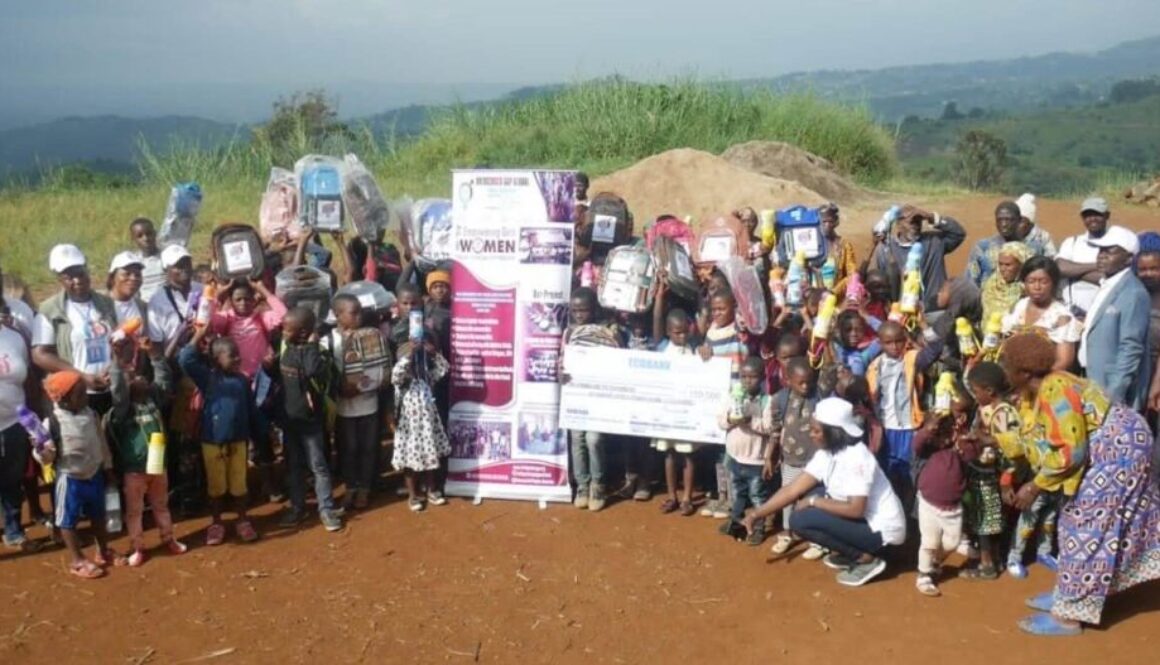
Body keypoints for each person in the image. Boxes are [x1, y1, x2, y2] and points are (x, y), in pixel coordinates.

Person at [1000, 332, 1160, 636]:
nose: (1005, 371)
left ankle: (1071, 614)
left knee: (1087, 527)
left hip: (1119, 452)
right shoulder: (1039, 389)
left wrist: (1035, 486)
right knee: (1075, 522)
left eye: (1008, 366)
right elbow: (1036, 441)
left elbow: (1072, 452)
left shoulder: (1055, 391)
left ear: (1023, 372)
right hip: (1110, 450)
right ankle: (1070, 593)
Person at [742, 397, 907, 587]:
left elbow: (856, 509)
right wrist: (757, 513)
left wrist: (814, 502)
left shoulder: (857, 458)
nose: (811, 434)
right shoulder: (827, 454)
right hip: (865, 522)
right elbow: (792, 489)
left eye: (816, 430)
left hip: (883, 535)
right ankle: (853, 551)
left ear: (833, 432)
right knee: (814, 492)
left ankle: (865, 558)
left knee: (800, 519)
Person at [106, 340, 186, 566]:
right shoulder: (123, 410)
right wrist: (117, 363)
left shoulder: (154, 399)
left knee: (161, 505)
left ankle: (168, 538)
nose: (139, 377)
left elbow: (163, 379)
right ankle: (137, 546)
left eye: (141, 375)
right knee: (135, 511)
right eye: (133, 377)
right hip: (134, 469)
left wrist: (154, 355)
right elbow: (118, 389)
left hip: (157, 463)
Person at [179, 327, 259, 546]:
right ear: (215, 360)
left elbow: (251, 410)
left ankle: (242, 520)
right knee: (216, 487)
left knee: (239, 485)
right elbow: (185, 358)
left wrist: (259, 433)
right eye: (231, 355)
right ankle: (216, 523)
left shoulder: (242, 381)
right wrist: (199, 333)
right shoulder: (208, 379)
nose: (237, 358)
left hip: (239, 441)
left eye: (238, 354)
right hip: (212, 442)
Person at [44, 370, 118, 578]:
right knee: (68, 520)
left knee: (98, 515)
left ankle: (103, 551)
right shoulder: (52, 422)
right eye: (79, 395)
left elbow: (101, 443)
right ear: (64, 400)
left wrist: (108, 467)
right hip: (70, 478)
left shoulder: (90, 414)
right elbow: (46, 457)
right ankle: (77, 560)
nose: (85, 397)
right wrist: (43, 451)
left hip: (94, 473)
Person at [865, 319, 945, 509]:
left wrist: (924, 324)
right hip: (886, 429)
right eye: (888, 342)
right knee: (888, 474)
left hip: (909, 427)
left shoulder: (912, 359)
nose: (894, 347)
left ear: (905, 340)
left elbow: (936, 348)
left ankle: (911, 516)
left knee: (911, 472)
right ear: (880, 343)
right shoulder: (875, 366)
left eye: (899, 341)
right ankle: (894, 512)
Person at [277, 307, 343, 532]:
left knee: (318, 466)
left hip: (310, 422)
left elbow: (313, 371)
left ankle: (326, 509)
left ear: (303, 332)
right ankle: (298, 507)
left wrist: (313, 344)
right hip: (290, 421)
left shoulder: (315, 352)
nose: (283, 332)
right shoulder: (288, 348)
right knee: (294, 466)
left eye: (287, 329)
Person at [32, 244, 118, 415]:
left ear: (87, 269)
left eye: (80, 273)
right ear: (60, 279)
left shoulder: (106, 303)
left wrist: (113, 368)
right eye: (69, 277)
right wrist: (81, 377)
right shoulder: (50, 310)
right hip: (76, 396)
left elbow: (119, 339)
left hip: (112, 388)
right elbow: (40, 355)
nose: (77, 281)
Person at [327, 295, 391, 512]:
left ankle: (364, 488)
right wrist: (341, 388)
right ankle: (351, 487)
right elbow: (325, 374)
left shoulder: (372, 336)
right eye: (353, 313)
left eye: (360, 312)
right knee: (348, 449)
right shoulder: (328, 341)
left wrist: (377, 382)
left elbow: (382, 367)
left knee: (368, 447)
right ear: (337, 315)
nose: (358, 317)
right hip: (344, 407)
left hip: (369, 404)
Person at [1079, 226, 1152, 410]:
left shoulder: (1133, 292)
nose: (1102, 255)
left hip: (1111, 391)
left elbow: (1131, 347)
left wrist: (1113, 393)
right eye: (1101, 250)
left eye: (1109, 251)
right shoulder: (1107, 285)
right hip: (1092, 381)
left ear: (1128, 258)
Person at [560, 288, 620, 511]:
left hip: (598, 397)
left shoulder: (607, 331)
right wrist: (561, 374)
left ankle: (598, 484)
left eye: (583, 310)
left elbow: (618, 360)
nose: (579, 314)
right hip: (576, 397)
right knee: (577, 439)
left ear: (593, 309)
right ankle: (582, 485)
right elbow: (562, 361)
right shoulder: (568, 334)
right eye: (575, 310)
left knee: (594, 439)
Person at [963, 362, 1021, 580]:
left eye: (976, 391)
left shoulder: (1003, 414)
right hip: (987, 472)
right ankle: (993, 559)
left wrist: (1006, 480)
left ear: (989, 391)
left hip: (992, 476)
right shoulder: (990, 409)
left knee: (986, 520)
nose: (974, 395)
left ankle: (987, 566)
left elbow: (1012, 448)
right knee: (986, 518)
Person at [911, 397, 970, 596]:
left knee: (952, 543)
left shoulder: (960, 449)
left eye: (950, 430)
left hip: (953, 508)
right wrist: (928, 428)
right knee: (929, 542)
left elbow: (972, 453)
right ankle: (924, 575)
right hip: (928, 504)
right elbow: (917, 443)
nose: (947, 435)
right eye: (941, 431)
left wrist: (962, 435)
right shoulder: (928, 449)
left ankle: (935, 562)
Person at [698, 290, 748, 519]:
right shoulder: (711, 332)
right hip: (719, 400)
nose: (717, 313)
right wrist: (703, 351)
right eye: (714, 309)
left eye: (723, 309)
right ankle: (722, 495)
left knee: (733, 452)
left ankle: (735, 499)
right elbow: (706, 357)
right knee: (719, 451)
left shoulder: (739, 329)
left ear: (733, 308)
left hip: (738, 397)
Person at [767, 357, 823, 557]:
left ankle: (817, 539)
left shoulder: (819, 397)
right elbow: (775, 430)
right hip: (790, 459)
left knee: (813, 498)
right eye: (800, 382)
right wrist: (770, 456)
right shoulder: (780, 399)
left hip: (816, 461)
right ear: (787, 380)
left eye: (809, 381)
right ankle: (787, 532)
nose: (806, 386)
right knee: (788, 497)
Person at [391, 332, 451, 512]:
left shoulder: (426, 379)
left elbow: (444, 368)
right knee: (410, 464)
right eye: (411, 363)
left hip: (427, 428)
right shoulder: (402, 382)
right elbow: (396, 373)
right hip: (409, 430)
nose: (414, 366)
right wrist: (408, 355)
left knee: (431, 460)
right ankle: (413, 495)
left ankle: (431, 489)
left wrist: (432, 353)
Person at [651, 306, 702, 517]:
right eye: (676, 332)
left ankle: (687, 498)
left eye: (684, 331)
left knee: (688, 455)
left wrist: (705, 352)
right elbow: (656, 319)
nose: (681, 336)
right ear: (668, 331)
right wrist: (660, 298)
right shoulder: (662, 347)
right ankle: (672, 496)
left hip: (687, 413)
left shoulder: (695, 348)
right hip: (666, 413)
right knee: (669, 454)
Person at [869, 205, 966, 312]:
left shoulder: (934, 241)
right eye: (911, 222)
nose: (916, 226)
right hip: (903, 312)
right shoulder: (885, 249)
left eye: (918, 221)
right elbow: (878, 283)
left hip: (934, 310)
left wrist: (930, 216)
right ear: (898, 224)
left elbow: (958, 234)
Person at [718, 357, 773, 546]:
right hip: (734, 456)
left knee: (757, 495)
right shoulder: (732, 397)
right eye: (743, 376)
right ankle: (736, 522)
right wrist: (731, 420)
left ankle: (758, 527)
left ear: (762, 378)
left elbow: (769, 427)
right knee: (737, 492)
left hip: (756, 459)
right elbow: (720, 420)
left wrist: (750, 421)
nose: (747, 381)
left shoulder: (767, 401)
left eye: (753, 377)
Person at [0, 314, 40, 552]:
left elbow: (28, 380)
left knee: (12, 479)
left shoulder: (13, 337)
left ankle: (14, 530)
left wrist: (34, 421)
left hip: (15, 421)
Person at [1002, 256, 1082, 372]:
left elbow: (1064, 361)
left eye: (1044, 282)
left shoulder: (1062, 317)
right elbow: (1005, 339)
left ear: (1053, 284)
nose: (1037, 287)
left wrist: (1037, 381)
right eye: (1031, 281)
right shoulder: (1018, 306)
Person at [1055, 197, 1111, 318]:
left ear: (1107, 215)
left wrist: (1073, 271)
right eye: (1087, 215)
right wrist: (1097, 265)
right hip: (1069, 312)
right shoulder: (1072, 242)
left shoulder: (1116, 245)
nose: (1092, 219)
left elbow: (1108, 280)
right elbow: (1060, 269)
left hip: (1101, 314)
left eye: (1097, 214)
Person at [146, 245, 202, 353]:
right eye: (179, 266)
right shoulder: (157, 301)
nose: (185, 269)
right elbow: (157, 345)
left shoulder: (202, 289)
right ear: (166, 269)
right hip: (175, 358)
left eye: (187, 263)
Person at [967, 201, 1025, 288]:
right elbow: (971, 282)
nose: (1004, 224)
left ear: (1019, 220)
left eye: (1008, 220)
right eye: (999, 220)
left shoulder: (1030, 248)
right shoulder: (982, 248)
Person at [1134, 232, 1160, 428]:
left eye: (1154, 269)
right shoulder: (1132, 293)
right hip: (1135, 367)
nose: (1148, 273)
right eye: (1142, 269)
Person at [980, 241, 1033, 324]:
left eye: (1008, 265)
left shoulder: (1031, 286)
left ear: (1021, 264)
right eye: (1000, 264)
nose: (1003, 269)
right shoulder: (993, 284)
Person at [819, 203, 858, 294]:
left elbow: (852, 274)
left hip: (836, 298)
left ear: (836, 222)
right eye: (823, 222)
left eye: (830, 221)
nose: (827, 225)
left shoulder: (844, 246)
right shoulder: (812, 246)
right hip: (813, 299)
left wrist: (834, 292)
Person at [128, 218, 166, 301]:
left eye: (149, 234)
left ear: (155, 234)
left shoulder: (166, 256)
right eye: (140, 236)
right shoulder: (133, 262)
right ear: (133, 238)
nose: (145, 238)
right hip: (145, 306)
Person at [1014, 193, 1057, 258]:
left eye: (1021, 221)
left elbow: (1051, 258)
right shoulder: (1009, 234)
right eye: (1014, 219)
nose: (1016, 224)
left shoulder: (1042, 237)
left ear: (1030, 222)